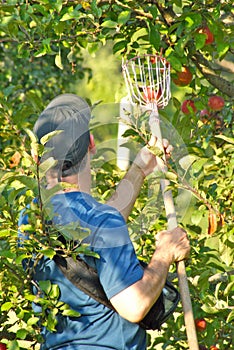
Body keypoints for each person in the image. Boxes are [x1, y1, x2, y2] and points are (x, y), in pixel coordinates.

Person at [18, 94, 190, 350]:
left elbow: (95, 232)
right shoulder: (101, 221)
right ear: (91, 143)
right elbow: (134, 306)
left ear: (38, 158)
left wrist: (139, 170)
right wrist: (163, 255)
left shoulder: (30, 218)